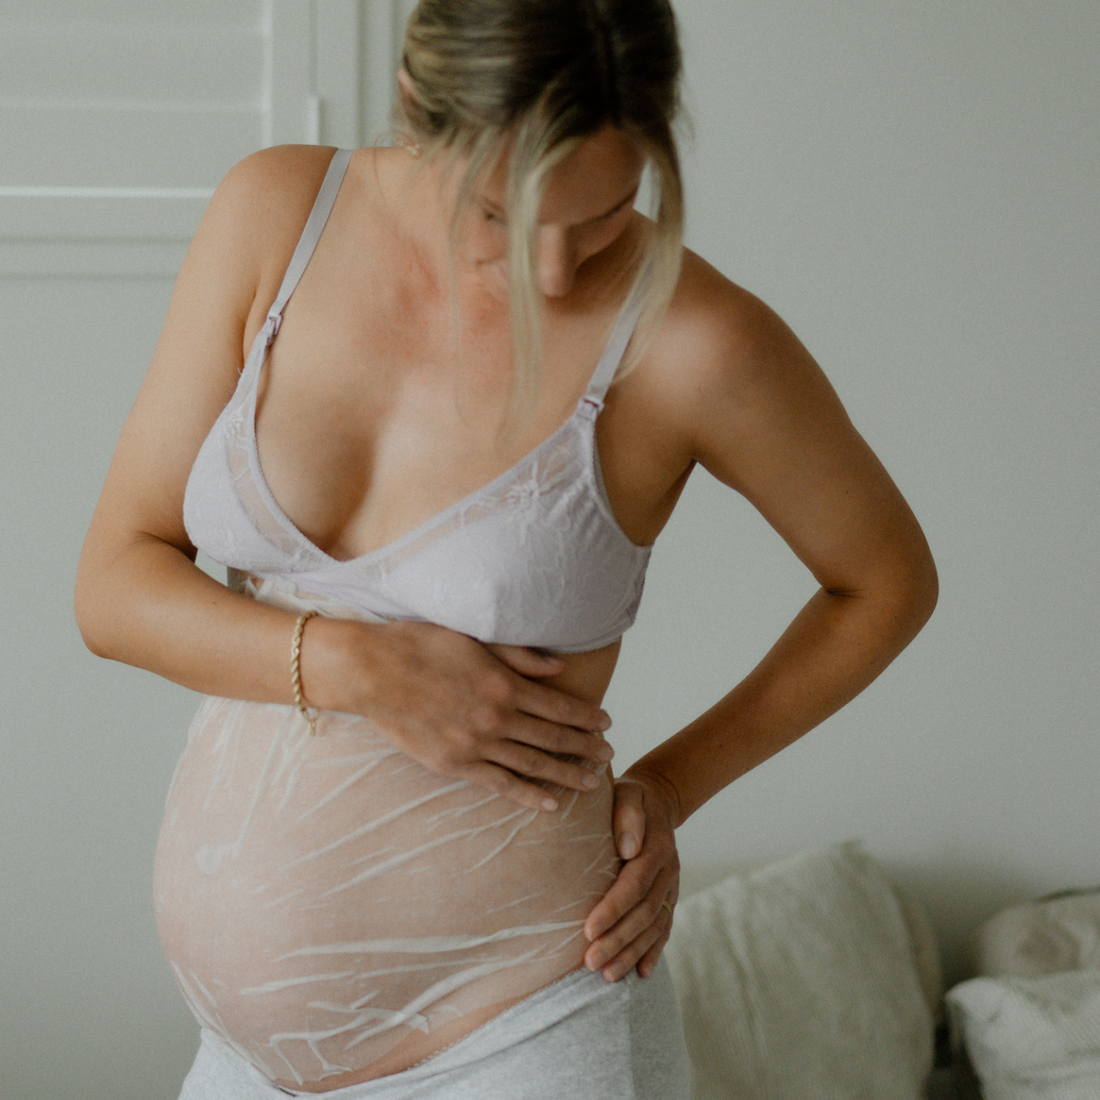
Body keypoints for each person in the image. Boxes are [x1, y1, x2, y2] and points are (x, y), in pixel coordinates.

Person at [74, 0, 937, 1096]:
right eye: (497, 212)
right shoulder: (274, 214)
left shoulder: (692, 342)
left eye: (605, 214)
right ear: (413, 108)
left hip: (525, 1030)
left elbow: (884, 580)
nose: (554, 271)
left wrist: (671, 786)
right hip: (240, 1062)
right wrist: (356, 665)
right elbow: (113, 583)